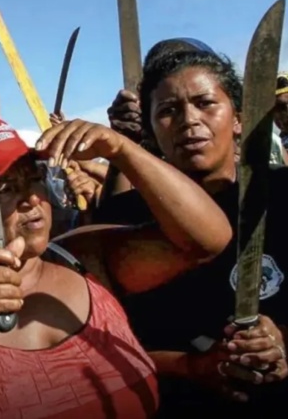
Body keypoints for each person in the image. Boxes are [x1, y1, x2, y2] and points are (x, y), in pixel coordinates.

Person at [0, 116, 233, 418]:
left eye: (35, 179)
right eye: (5, 188)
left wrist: (122, 151)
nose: (32, 198)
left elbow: (207, 241)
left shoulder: (83, 258)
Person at [102, 38, 288, 414]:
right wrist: (191, 367)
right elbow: (105, 345)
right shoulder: (125, 219)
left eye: (205, 103)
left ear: (238, 119)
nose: (189, 121)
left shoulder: (282, 193)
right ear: (151, 133)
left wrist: (281, 340)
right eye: (169, 110)